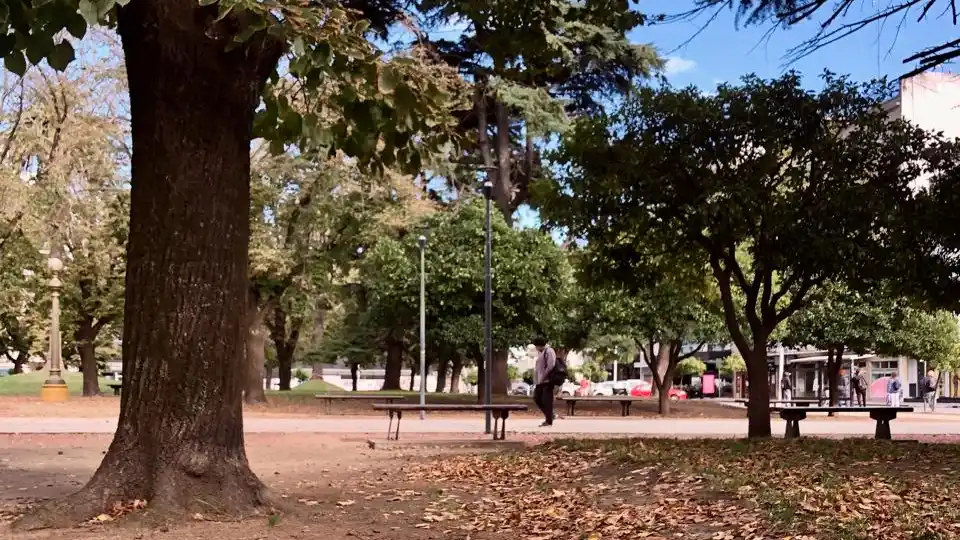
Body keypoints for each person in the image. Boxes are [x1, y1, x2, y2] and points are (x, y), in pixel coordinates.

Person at [533, 337, 557, 427]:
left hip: (548, 380)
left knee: (547, 401)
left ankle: (549, 420)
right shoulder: (541, 352)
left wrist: (543, 376)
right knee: (537, 398)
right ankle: (551, 414)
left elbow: (550, 366)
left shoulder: (549, 351)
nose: (535, 348)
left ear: (540, 345)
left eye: (536, 346)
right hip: (540, 381)